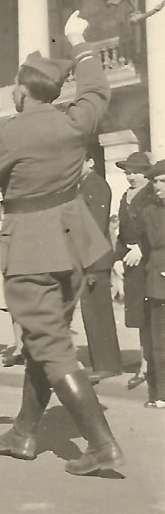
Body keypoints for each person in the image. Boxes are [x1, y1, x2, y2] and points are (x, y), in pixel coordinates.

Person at [0, 10, 124, 475]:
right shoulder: (75, 122)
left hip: (30, 250)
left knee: (49, 346)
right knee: (42, 342)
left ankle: (100, 444)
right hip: (75, 247)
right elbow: (96, 89)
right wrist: (79, 43)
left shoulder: (9, 131)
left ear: (21, 90)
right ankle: (25, 431)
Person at [77, 156, 122, 383]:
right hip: (88, 260)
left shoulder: (96, 185)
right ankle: (101, 363)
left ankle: (108, 365)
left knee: (98, 314)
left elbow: (94, 226)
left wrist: (92, 266)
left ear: (91, 162)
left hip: (95, 261)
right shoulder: (84, 185)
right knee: (91, 315)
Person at [113, 151, 156, 389]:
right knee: (140, 315)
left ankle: (154, 365)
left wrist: (142, 248)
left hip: (150, 261)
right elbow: (122, 232)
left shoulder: (154, 195)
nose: (131, 177)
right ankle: (144, 365)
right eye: (128, 172)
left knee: (155, 315)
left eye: (136, 172)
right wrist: (118, 258)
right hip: (132, 264)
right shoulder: (125, 196)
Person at [133, 160, 165, 408]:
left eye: (163, 181)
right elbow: (143, 245)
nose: (158, 186)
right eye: (155, 181)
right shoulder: (149, 212)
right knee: (159, 341)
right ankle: (161, 393)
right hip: (157, 281)